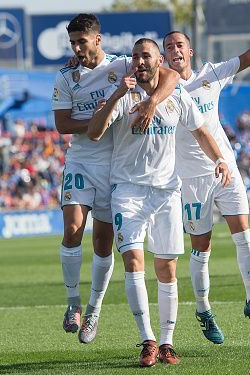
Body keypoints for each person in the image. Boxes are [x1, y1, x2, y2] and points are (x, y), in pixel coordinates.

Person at [87, 38, 230, 367]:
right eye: (135, 56)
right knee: (134, 262)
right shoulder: (124, 95)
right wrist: (116, 96)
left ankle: (167, 342)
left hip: (167, 191)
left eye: (145, 55)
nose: (139, 60)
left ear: (158, 61)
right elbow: (94, 132)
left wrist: (219, 160)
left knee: (167, 269)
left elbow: (201, 131)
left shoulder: (175, 95)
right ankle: (147, 340)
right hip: (128, 191)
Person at [51, 13, 179, 343]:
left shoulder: (122, 65)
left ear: (98, 40)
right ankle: (72, 304)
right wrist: (97, 120)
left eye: (82, 41)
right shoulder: (66, 76)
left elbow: (170, 76)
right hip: (80, 160)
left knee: (103, 244)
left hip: (114, 166)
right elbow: (63, 124)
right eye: (73, 43)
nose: (77, 48)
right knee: (72, 229)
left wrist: (152, 101)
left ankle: (94, 309)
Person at [162, 31, 250, 344]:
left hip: (224, 168)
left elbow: (244, 60)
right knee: (202, 247)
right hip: (191, 178)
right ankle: (204, 310)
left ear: (190, 50)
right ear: (164, 56)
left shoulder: (210, 74)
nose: (175, 50)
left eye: (179, 45)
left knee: (243, 233)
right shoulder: (162, 90)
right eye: (169, 47)